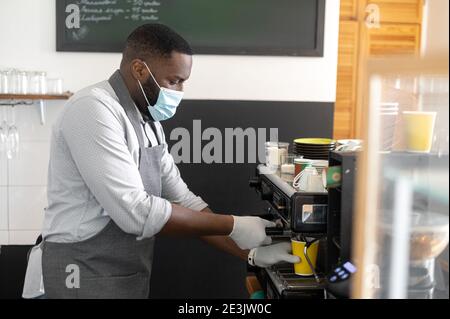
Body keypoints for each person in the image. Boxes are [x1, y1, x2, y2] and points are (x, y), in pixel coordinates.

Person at [22, 23, 299, 299]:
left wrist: (250, 253)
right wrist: (234, 224)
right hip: (78, 276)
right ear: (140, 70)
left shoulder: (149, 122)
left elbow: (184, 201)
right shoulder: (92, 110)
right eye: (174, 80)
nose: (179, 91)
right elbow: (136, 212)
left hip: (121, 279)